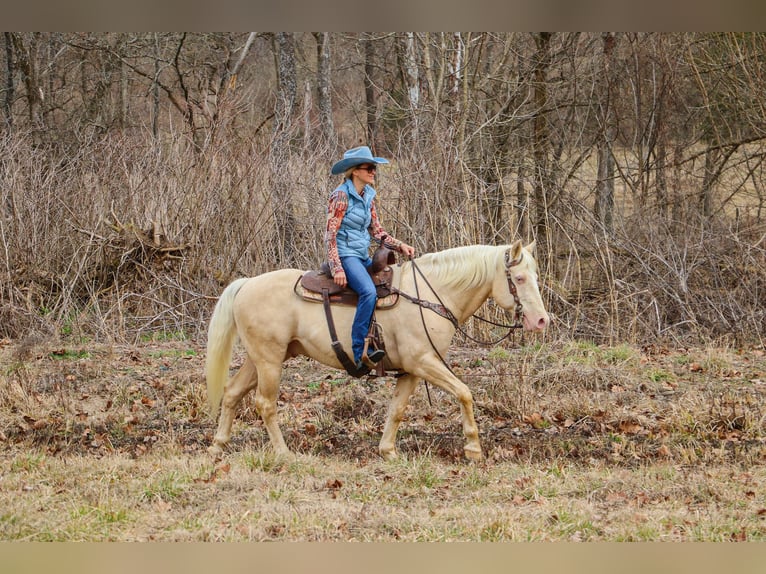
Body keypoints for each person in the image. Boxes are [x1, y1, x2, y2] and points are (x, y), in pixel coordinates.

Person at [325, 146, 415, 372]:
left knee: (391, 283)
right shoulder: (341, 196)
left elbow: (377, 231)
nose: (374, 172)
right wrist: (337, 267)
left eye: (374, 168)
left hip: (362, 255)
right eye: (369, 168)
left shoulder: (369, 196)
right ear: (355, 171)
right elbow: (330, 235)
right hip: (346, 256)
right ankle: (359, 353)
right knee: (368, 292)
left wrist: (400, 245)